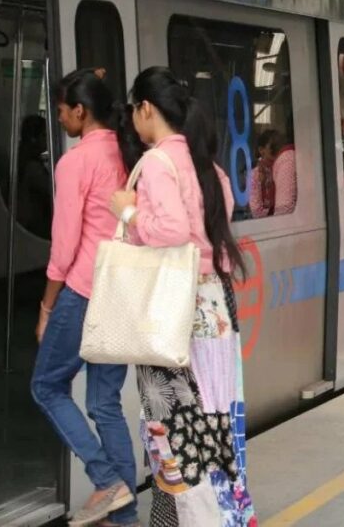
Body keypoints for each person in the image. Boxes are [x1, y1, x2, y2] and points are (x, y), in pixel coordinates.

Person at [108, 66, 254, 526]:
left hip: (174, 313)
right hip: (215, 310)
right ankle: (219, 516)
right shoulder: (207, 166)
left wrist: (128, 213)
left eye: (134, 109)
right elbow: (218, 226)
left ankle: (192, 521)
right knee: (214, 427)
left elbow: (170, 231)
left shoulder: (156, 163)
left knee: (174, 436)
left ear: (146, 109)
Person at [30, 69, 137, 527]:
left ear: (80, 111)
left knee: (46, 386)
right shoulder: (129, 152)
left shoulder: (75, 162)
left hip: (83, 291)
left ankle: (105, 478)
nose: (59, 119)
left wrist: (46, 306)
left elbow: (64, 246)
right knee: (104, 404)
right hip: (120, 293)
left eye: (61, 110)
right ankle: (126, 515)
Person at [249, 129, 296, 217]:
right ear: (261, 150)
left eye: (279, 145)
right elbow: (256, 210)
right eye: (273, 146)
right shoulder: (254, 174)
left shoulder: (284, 164)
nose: (277, 149)